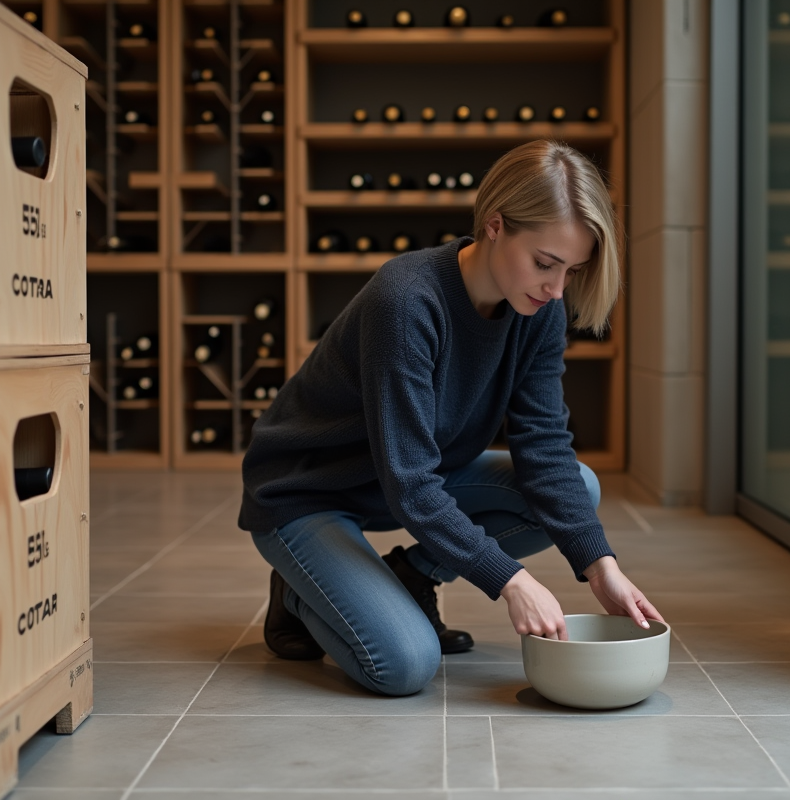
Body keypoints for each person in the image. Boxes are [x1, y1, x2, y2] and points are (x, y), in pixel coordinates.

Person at [238, 139, 664, 697]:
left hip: (408, 478)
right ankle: (298, 590)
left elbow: (545, 447)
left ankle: (412, 574)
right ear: (494, 225)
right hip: (307, 490)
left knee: (576, 489)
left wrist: (599, 565)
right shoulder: (407, 301)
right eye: (545, 263)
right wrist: (511, 581)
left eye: (572, 270)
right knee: (404, 666)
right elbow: (411, 484)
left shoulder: (537, 308)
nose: (557, 289)